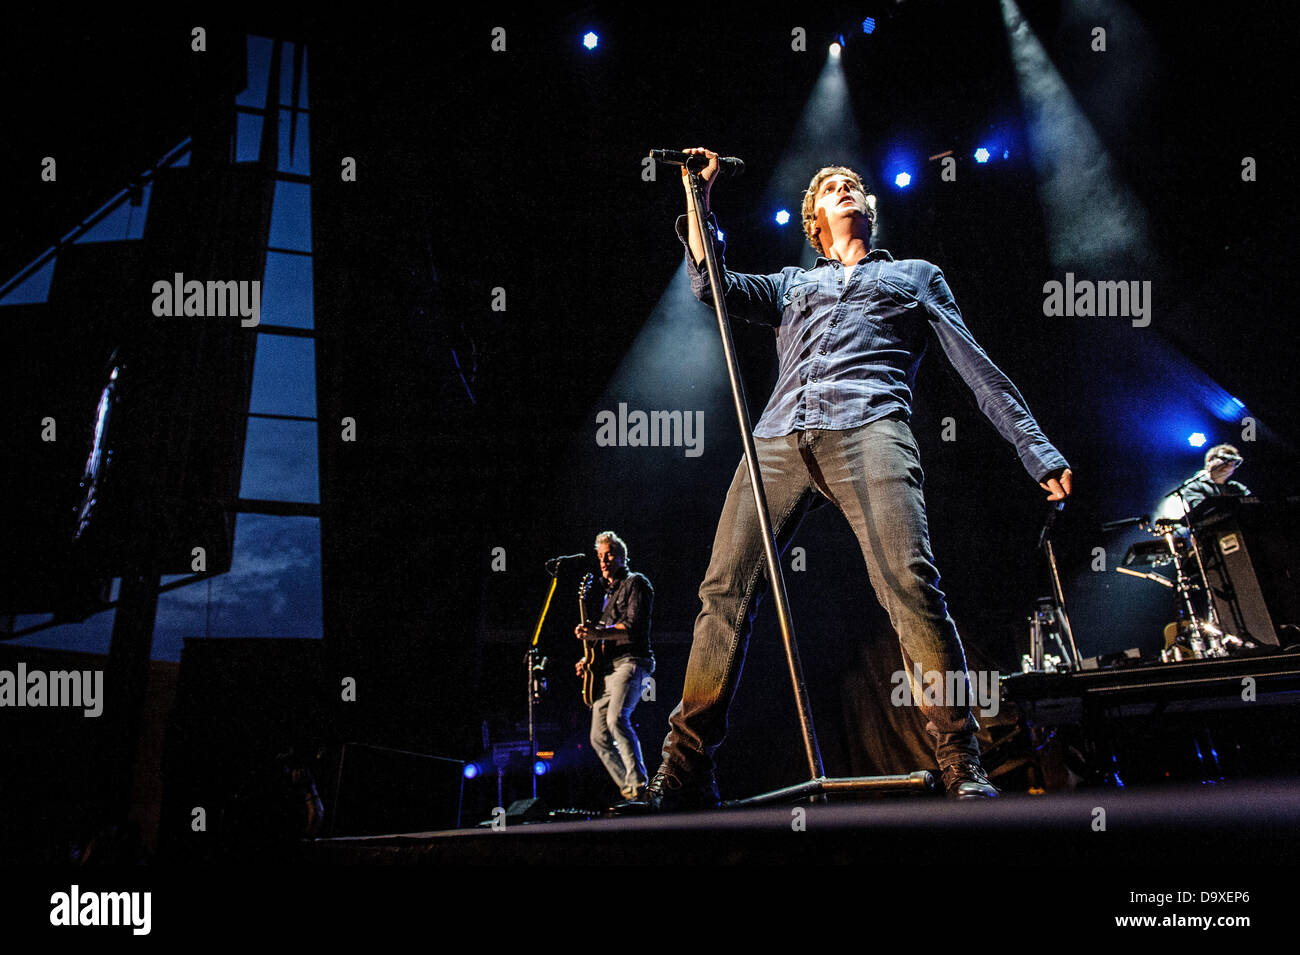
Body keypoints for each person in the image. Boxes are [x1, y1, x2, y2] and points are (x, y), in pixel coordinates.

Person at [643, 148, 1073, 808]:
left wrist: (1036, 449)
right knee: (724, 587)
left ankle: (960, 753)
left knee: (908, 582)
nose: (844, 190)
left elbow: (978, 367)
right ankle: (685, 766)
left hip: (871, 424)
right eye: (831, 188)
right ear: (814, 219)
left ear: (868, 210)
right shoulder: (793, 283)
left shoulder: (916, 276)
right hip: (780, 437)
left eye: (853, 186)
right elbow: (711, 286)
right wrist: (697, 197)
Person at [574, 531, 656, 801]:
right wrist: (588, 660)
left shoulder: (636, 583)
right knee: (598, 735)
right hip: (608, 669)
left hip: (631, 663)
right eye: (599, 556)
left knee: (616, 719)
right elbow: (603, 640)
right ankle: (630, 791)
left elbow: (631, 629)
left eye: (608, 554)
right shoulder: (607, 596)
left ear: (622, 556)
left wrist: (597, 634)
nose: (603, 560)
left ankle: (640, 784)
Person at [1179, 444, 1250, 511]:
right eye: (1225, 459)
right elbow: (1201, 511)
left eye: (1234, 462)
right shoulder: (1195, 485)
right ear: (1209, 460)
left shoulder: (1238, 487)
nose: (1230, 464)